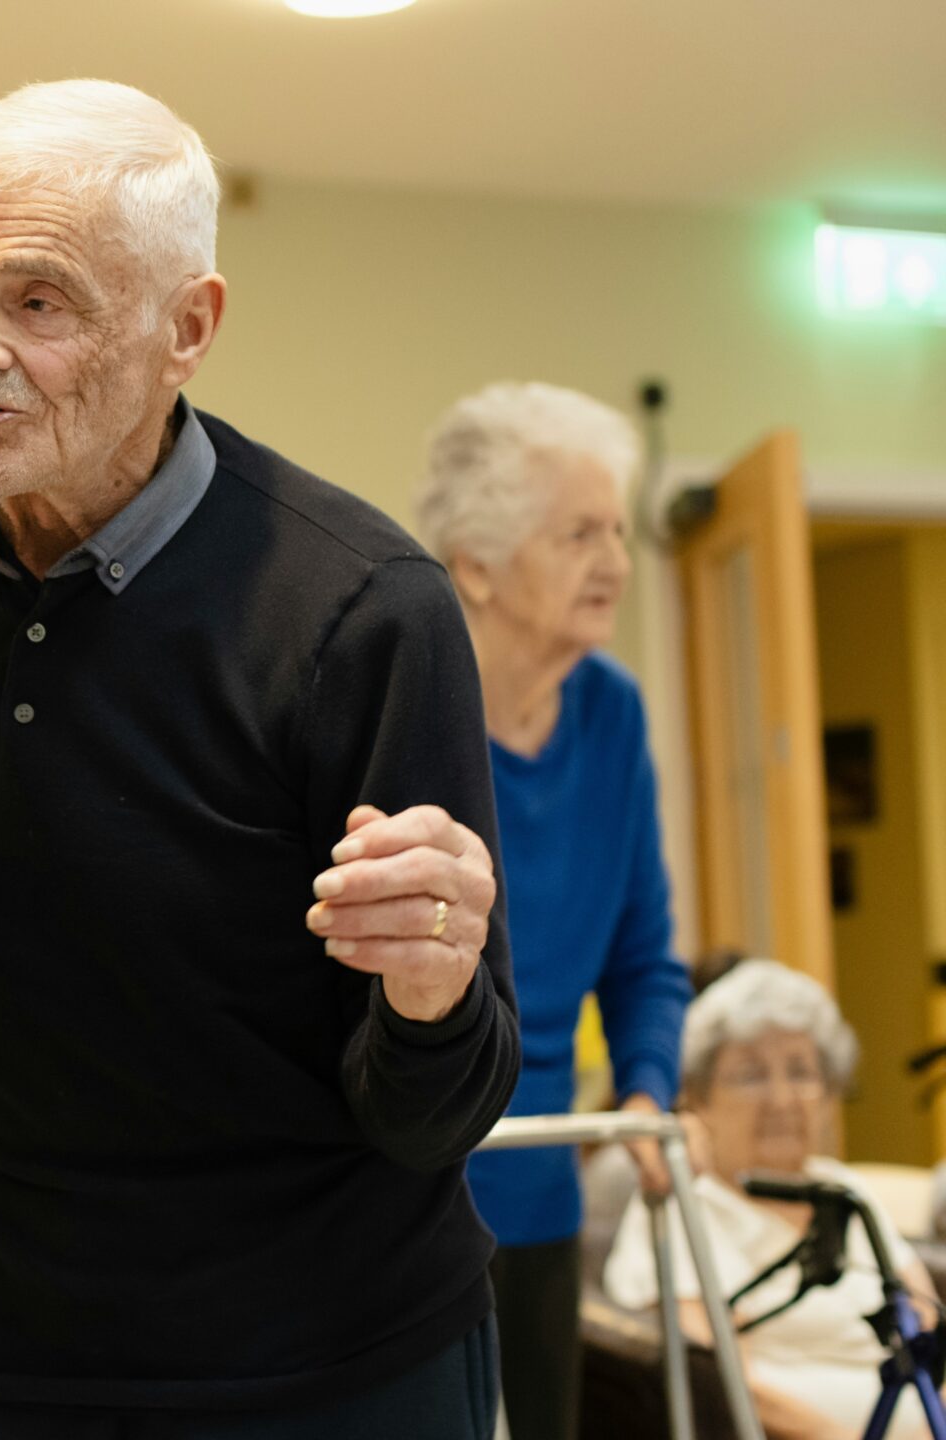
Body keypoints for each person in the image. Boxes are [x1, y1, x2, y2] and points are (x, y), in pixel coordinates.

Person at [0, 80, 520, 1437]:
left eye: (38, 302)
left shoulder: (363, 606)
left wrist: (430, 990)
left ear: (189, 328)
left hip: (329, 1370)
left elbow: (440, 1109)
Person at [415, 382, 695, 1440]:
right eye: (579, 533)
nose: (617, 562)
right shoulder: (399, 710)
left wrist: (644, 1088)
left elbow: (642, 956)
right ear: (475, 565)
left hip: (542, 1189)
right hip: (403, 1195)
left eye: (617, 529)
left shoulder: (609, 711)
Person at [607, 959, 937, 1440]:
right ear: (696, 1096)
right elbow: (720, 1383)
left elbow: (922, 1323)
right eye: (751, 1076)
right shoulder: (679, 1207)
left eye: (802, 1073)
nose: (782, 1100)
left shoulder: (845, 1190)